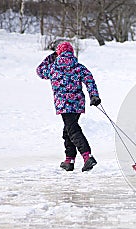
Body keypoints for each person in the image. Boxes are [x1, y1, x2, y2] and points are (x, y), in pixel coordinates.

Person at [36, 41, 101, 172]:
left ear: (58, 53)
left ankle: (87, 156)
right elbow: (89, 80)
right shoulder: (78, 67)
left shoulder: (53, 67)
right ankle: (69, 160)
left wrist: (52, 56)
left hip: (64, 105)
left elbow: (39, 71)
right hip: (77, 104)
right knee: (68, 130)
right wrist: (94, 96)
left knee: (72, 130)